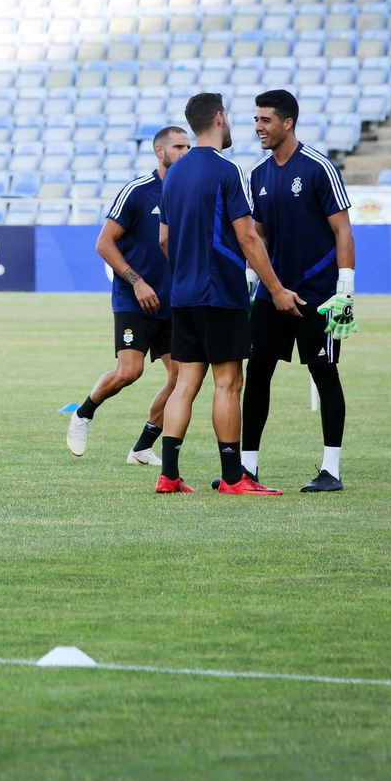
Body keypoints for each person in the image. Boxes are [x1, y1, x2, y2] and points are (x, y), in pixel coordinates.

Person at [155, 93, 298, 496]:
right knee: (229, 382)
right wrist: (276, 288)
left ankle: (168, 475)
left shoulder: (175, 173)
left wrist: (185, 271)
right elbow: (248, 237)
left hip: (183, 295)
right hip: (220, 292)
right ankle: (234, 478)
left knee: (186, 382)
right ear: (219, 118)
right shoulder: (227, 170)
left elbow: (164, 239)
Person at [236, 89, 356, 493]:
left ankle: (331, 471)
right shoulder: (258, 174)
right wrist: (257, 282)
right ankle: (247, 470)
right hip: (272, 295)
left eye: (265, 120)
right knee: (257, 375)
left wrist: (346, 288)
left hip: (318, 296)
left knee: (325, 375)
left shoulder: (319, 167)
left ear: (287, 122)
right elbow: (260, 236)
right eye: (255, 120)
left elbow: (342, 230)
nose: (258, 128)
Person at [65, 126, 188, 465]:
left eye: (189, 146)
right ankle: (83, 414)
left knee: (181, 379)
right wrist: (137, 281)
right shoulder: (138, 191)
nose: (185, 152)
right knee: (129, 372)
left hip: (173, 302)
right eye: (178, 146)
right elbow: (104, 243)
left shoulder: (189, 194)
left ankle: (142, 448)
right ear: (160, 152)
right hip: (134, 299)